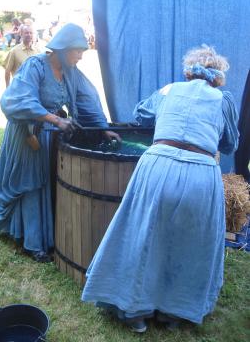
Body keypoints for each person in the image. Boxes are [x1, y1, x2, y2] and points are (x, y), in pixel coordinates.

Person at [82, 45, 239, 333]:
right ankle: (175, 313)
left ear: (187, 72)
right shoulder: (223, 100)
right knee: (193, 244)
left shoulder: (170, 90)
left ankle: (134, 312)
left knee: (140, 236)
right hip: (200, 173)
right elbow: (230, 143)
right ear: (218, 77)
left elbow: (141, 112)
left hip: (157, 166)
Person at [0, 23, 120, 262]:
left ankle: (44, 237)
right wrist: (54, 120)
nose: (81, 56)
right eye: (77, 51)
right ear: (61, 48)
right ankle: (31, 242)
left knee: (45, 183)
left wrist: (103, 130)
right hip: (26, 136)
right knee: (31, 185)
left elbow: (87, 99)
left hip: (48, 137)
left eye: (82, 50)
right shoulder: (35, 66)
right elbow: (16, 100)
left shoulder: (71, 72)